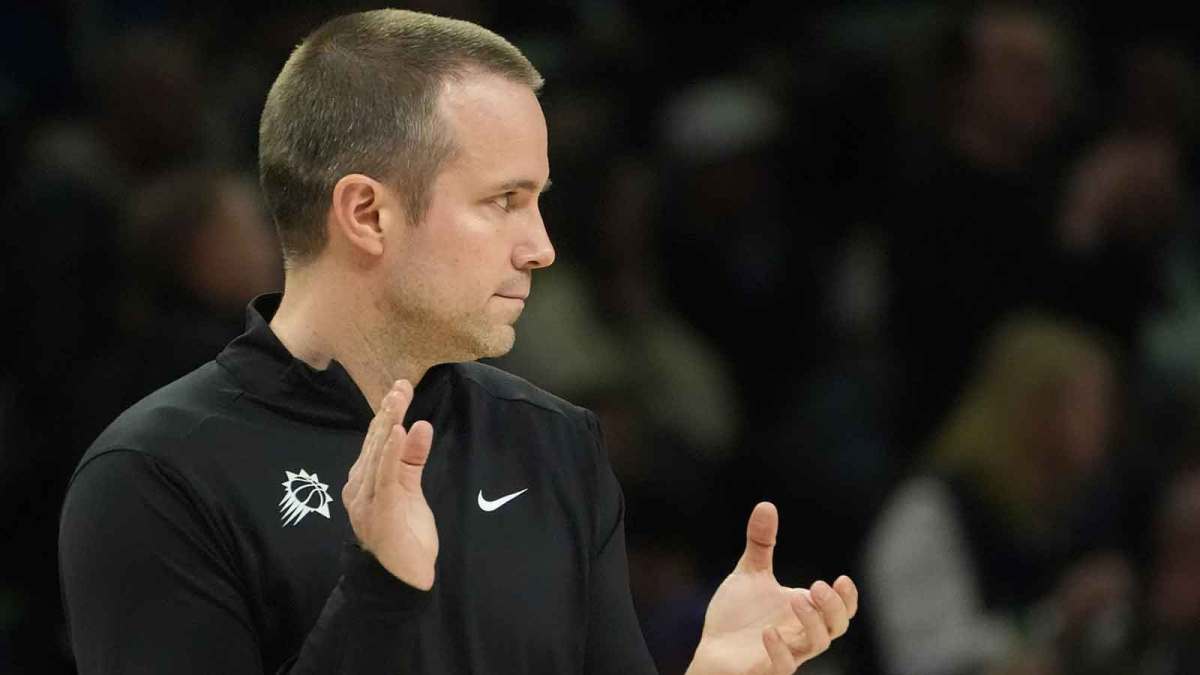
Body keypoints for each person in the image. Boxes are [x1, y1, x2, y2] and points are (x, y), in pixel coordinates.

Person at [58, 9, 858, 674]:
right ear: (367, 213)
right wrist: (381, 590)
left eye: (539, 198)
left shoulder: (556, 443)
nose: (541, 245)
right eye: (504, 200)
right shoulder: (157, 475)